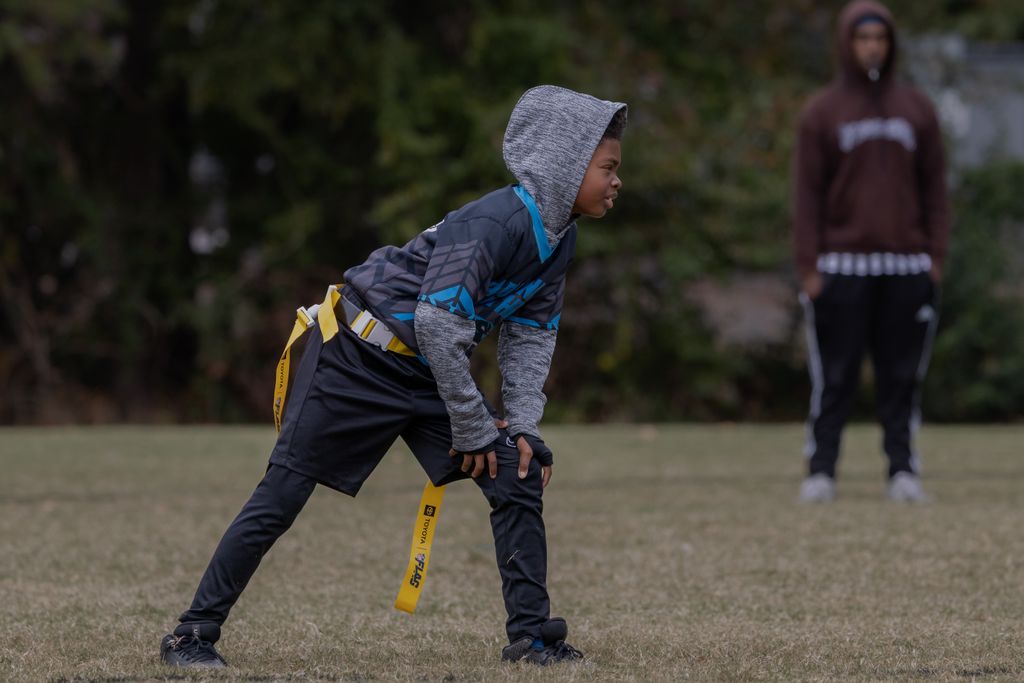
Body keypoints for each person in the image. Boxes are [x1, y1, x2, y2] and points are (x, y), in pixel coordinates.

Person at [159, 85, 627, 668]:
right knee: (282, 494)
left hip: (430, 371)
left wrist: (522, 426)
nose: (616, 181)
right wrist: (474, 425)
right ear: (565, 166)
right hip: (356, 357)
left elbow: (531, 336)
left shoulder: (560, 239)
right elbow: (435, 320)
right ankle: (192, 634)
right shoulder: (495, 221)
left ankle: (532, 639)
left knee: (517, 471)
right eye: (607, 167)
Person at [792, 0, 949, 503]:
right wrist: (809, 267)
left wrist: (935, 259)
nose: (872, 46)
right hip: (840, 267)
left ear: (891, 43)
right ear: (847, 43)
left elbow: (936, 192)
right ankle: (822, 472)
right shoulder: (822, 112)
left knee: (901, 378)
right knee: (835, 377)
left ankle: (902, 471)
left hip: (906, 267)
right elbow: (806, 196)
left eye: (879, 37)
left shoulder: (918, 109)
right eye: (862, 38)